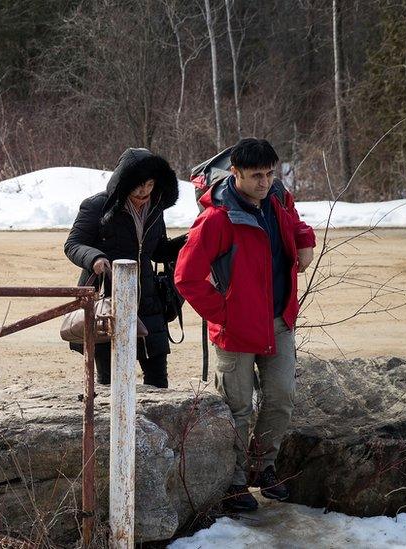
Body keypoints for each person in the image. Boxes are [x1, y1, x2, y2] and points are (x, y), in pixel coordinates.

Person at [174, 138, 316, 511]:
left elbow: (296, 219)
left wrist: (304, 241)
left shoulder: (277, 199)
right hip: (235, 332)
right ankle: (234, 484)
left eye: (270, 174)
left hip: (279, 323)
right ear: (234, 173)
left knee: (281, 397)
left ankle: (261, 467)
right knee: (236, 410)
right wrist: (224, 315)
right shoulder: (217, 219)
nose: (265, 182)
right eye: (256, 176)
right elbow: (186, 278)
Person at [65, 148, 187, 388]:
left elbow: (157, 249)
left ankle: (154, 427)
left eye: (150, 184)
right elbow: (73, 244)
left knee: (158, 380)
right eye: (138, 185)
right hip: (108, 303)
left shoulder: (155, 207)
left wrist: (186, 242)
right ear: (123, 183)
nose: (144, 191)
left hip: (149, 304)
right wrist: (95, 258)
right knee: (110, 382)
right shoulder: (96, 206)